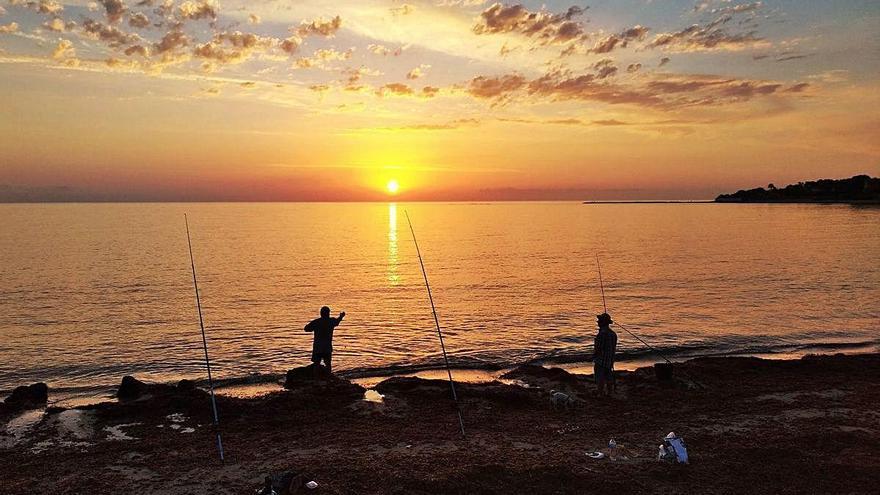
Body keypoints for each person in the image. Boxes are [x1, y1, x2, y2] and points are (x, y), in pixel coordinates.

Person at [304, 306, 345, 374]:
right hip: (327, 347)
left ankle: (316, 379)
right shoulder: (331, 321)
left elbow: (306, 329)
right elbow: (337, 321)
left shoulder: (316, 322)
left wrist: (309, 325)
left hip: (318, 347)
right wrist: (341, 316)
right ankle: (328, 378)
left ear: (321, 313)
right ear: (329, 313)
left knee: (316, 364)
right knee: (328, 364)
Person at [593, 312, 618, 396]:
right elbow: (613, 348)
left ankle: (600, 393)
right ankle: (610, 392)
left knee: (600, 377)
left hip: (601, 360)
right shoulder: (613, 334)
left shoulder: (602, 334)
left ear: (603, 322)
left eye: (599, 320)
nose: (598, 322)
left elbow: (599, 348)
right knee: (608, 376)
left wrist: (594, 356)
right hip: (610, 360)